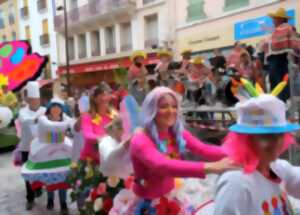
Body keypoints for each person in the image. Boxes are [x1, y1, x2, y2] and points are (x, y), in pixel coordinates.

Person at [114, 87, 239, 214]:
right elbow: (162, 165)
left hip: (171, 196)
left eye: (174, 106)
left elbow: (203, 149)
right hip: (147, 206)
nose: (171, 111)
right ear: (151, 110)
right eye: (163, 106)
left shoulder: (176, 132)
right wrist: (212, 167)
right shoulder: (140, 140)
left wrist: (238, 153)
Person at [213, 88, 300, 214]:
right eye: (266, 136)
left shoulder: (276, 167)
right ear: (246, 140)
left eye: (280, 134)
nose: (276, 143)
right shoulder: (236, 182)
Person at [21, 97, 74, 214]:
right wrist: (67, 123)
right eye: (53, 106)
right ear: (49, 108)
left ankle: (63, 203)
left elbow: (73, 124)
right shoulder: (44, 119)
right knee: (50, 178)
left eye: (58, 106)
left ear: (62, 109)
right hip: (47, 151)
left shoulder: (64, 118)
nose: (56, 109)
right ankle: (50, 199)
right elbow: (51, 126)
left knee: (63, 178)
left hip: (63, 151)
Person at [17, 81, 46, 210]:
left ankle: (39, 187)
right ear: (28, 99)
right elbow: (26, 121)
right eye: (33, 99)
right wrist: (38, 119)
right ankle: (30, 198)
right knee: (28, 174)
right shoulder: (22, 112)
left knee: (40, 171)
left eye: (38, 99)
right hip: (26, 148)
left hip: (41, 147)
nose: (36, 102)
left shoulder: (44, 110)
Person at [265, 8, 300, 102]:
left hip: (281, 59)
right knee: (276, 83)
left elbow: (295, 42)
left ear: (280, 19)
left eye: (274, 18)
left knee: (280, 83)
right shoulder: (276, 30)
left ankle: (282, 104)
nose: (272, 20)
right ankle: (278, 103)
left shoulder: (287, 28)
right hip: (274, 61)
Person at [79, 83, 117, 164]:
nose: (105, 98)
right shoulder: (87, 117)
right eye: (102, 95)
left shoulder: (115, 116)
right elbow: (88, 136)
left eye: (107, 95)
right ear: (95, 99)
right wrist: (105, 139)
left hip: (111, 160)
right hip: (92, 162)